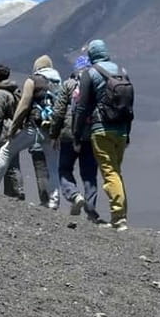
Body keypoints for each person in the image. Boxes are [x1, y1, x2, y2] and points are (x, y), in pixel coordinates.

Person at [0, 55, 61, 209]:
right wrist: (57, 132)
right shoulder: (58, 82)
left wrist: (14, 128)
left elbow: (24, 105)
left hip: (34, 127)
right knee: (52, 165)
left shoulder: (33, 80)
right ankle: (54, 201)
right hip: (51, 130)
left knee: (6, 151)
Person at [73, 40, 133, 230]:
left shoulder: (91, 73)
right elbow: (129, 106)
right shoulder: (121, 72)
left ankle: (119, 218)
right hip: (122, 130)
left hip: (101, 130)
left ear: (91, 55)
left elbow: (81, 107)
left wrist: (77, 134)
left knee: (109, 172)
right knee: (116, 171)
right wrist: (128, 132)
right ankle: (121, 215)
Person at [51, 54, 103, 223]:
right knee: (89, 174)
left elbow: (59, 111)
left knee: (65, 169)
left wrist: (54, 133)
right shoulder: (96, 84)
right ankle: (91, 209)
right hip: (90, 134)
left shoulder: (68, 84)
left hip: (69, 134)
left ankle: (73, 195)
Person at [0, 64, 24, 200]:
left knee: (8, 163)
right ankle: (14, 192)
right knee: (12, 162)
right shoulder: (11, 92)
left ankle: (15, 193)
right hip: (13, 131)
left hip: (4, 132)